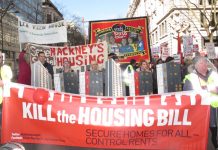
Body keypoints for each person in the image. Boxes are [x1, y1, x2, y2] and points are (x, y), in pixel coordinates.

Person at [183, 56, 218, 149]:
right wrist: (210, 88)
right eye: (201, 63)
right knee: (206, 134)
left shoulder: (214, 74)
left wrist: (208, 88)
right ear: (196, 66)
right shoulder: (190, 78)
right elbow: (187, 95)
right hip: (201, 112)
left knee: (215, 131)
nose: (204, 65)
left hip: (216, 109)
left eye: (205, 62)